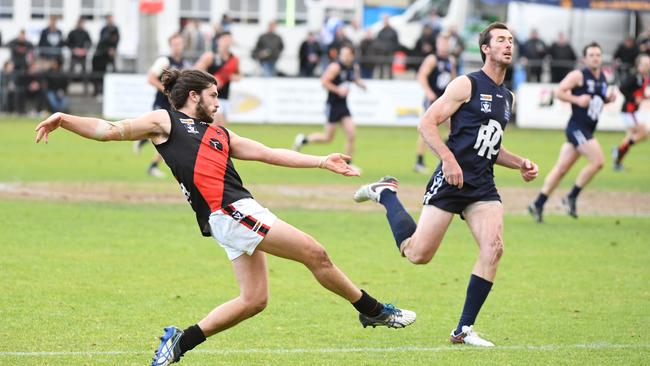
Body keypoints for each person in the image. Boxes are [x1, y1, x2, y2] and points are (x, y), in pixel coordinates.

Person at [34, 68, 416, 366]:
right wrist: (64, 119)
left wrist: (321, 160)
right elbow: (109, 130)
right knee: (316, 254)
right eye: (214, 95)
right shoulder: (165, 121)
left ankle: (179, 341)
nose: (218, 102)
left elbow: (269, 152)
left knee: (253, 300)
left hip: (234, 215)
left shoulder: (220, 134)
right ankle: (373, 311)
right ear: (194, 95)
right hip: (231, 211)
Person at [353, 23, 538, 347]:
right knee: (417, 254)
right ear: (485, 48)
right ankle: (386, 193)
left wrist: (520, 162)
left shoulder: (508, 97)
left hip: (482, 186)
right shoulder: (466, 84)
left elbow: (490, 146)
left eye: (511, 40)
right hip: (450, 181)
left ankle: (463, 330)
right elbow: (426, 122)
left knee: (494, 248)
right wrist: (449, 161)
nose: (508, 45)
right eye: (501, 40)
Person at [529, 42, 615, 222]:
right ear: (585, 58)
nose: (595, 58)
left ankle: (538, 203)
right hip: (577, 127)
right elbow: (559, 91)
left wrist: (608, 99)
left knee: (561, 170)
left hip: (587, 129)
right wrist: (576, 99)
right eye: (591, 55)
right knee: (598, 161)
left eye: (598, 55)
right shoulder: (578, 75)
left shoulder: (603, 77)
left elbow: (597, 100)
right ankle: (572, 196)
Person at [293, 45, 366, 169]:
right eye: (342, 54)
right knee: (328, 138)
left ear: (352, 56)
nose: (344, 57)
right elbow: (324, 81)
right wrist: (338, 90)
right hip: (333, 105)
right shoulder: (335, 67)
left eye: (347, 54)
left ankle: (348, 164)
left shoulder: (354, 67)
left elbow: (355, 79)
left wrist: (361, 85)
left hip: (343, 105)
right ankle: (303, 140)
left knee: (351, 133)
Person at [135, 33, 191, 178]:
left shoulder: (184, 63)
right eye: (174, 44)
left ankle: (144, 145)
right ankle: (146, 150)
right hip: (161, 103)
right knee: (165, 134)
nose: (177, 47)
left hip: (174, 106)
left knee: (167, 135)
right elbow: (151, 78)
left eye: (179, 44)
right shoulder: (165, 61)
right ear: (170, 46)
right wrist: (167, 92)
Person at [414, 33, 456, 174]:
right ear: (437, 45)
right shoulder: (432, 59)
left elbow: (454, 79)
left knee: (454, 128)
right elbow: (421, 75)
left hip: (445, 99)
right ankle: (419, 161)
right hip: (432, 100)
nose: (444, 46)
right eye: (442, 43)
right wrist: (428, 92)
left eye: (446, 44)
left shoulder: (451, 60)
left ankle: (448, 157)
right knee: (426, 128)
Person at [612, 54, 650, 171]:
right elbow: (622, 88)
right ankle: (618, 150)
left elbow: (638, 93)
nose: (647, 66)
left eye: (648, 64)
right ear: (638, 65)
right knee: (644, 133)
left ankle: (617, 163)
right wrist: (633, 99)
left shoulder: (643, 78)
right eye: (645, 64)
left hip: (633, 112)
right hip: (629, 112)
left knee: (630, 137)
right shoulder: (634, 76)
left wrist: (644, 97)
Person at [195, 31, 240, 126]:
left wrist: (230, 77)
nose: (227, 42)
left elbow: (238, 76)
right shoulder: (210, 56)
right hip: (212, 96)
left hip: (225, 97)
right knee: (216, 125)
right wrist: (211, 81)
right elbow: (196, 72)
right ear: (218, 41)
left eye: (229, 39)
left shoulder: (234, 59)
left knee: (222, 128)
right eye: (225, 39)